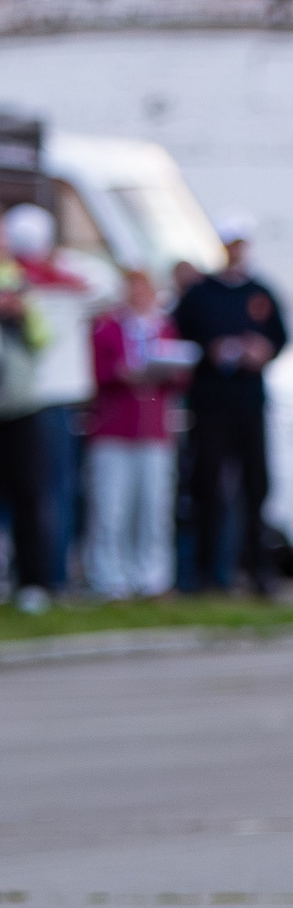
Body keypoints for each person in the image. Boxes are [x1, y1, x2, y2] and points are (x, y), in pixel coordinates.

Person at [172, 213, 287, 596]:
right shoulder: (200, 294)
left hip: (249, 402)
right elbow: (179, 336)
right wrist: (212, 350)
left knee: (256, 486)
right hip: (211, 403)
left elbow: (280, 337)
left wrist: (263, 350)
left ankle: (258, 570)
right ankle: (207, 573)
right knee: (207, 485)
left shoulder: (260, 292)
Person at [8, 204, 119, 600]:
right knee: (44, 491)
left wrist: (52, 271)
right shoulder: (30, 283)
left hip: (40, 400)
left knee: (46, 491)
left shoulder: (39, 281)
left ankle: (48, 574)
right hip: (30, 401)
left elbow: (109, 287)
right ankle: (43, 575)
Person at [86, 265, 191, 599]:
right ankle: (109, 576)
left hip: (154, 430)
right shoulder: (107, 327)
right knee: (111, 507)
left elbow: (180, 375)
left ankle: (153, 576)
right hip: (114, 428)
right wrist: (120, 372)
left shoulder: (164, 327)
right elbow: (95, 371)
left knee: (153, 507)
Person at [0, 215, 52, 611]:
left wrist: (19, 311)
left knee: (27, 496)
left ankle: (33, 582)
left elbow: (43, 335)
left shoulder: (17, 279)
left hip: (17, 407)